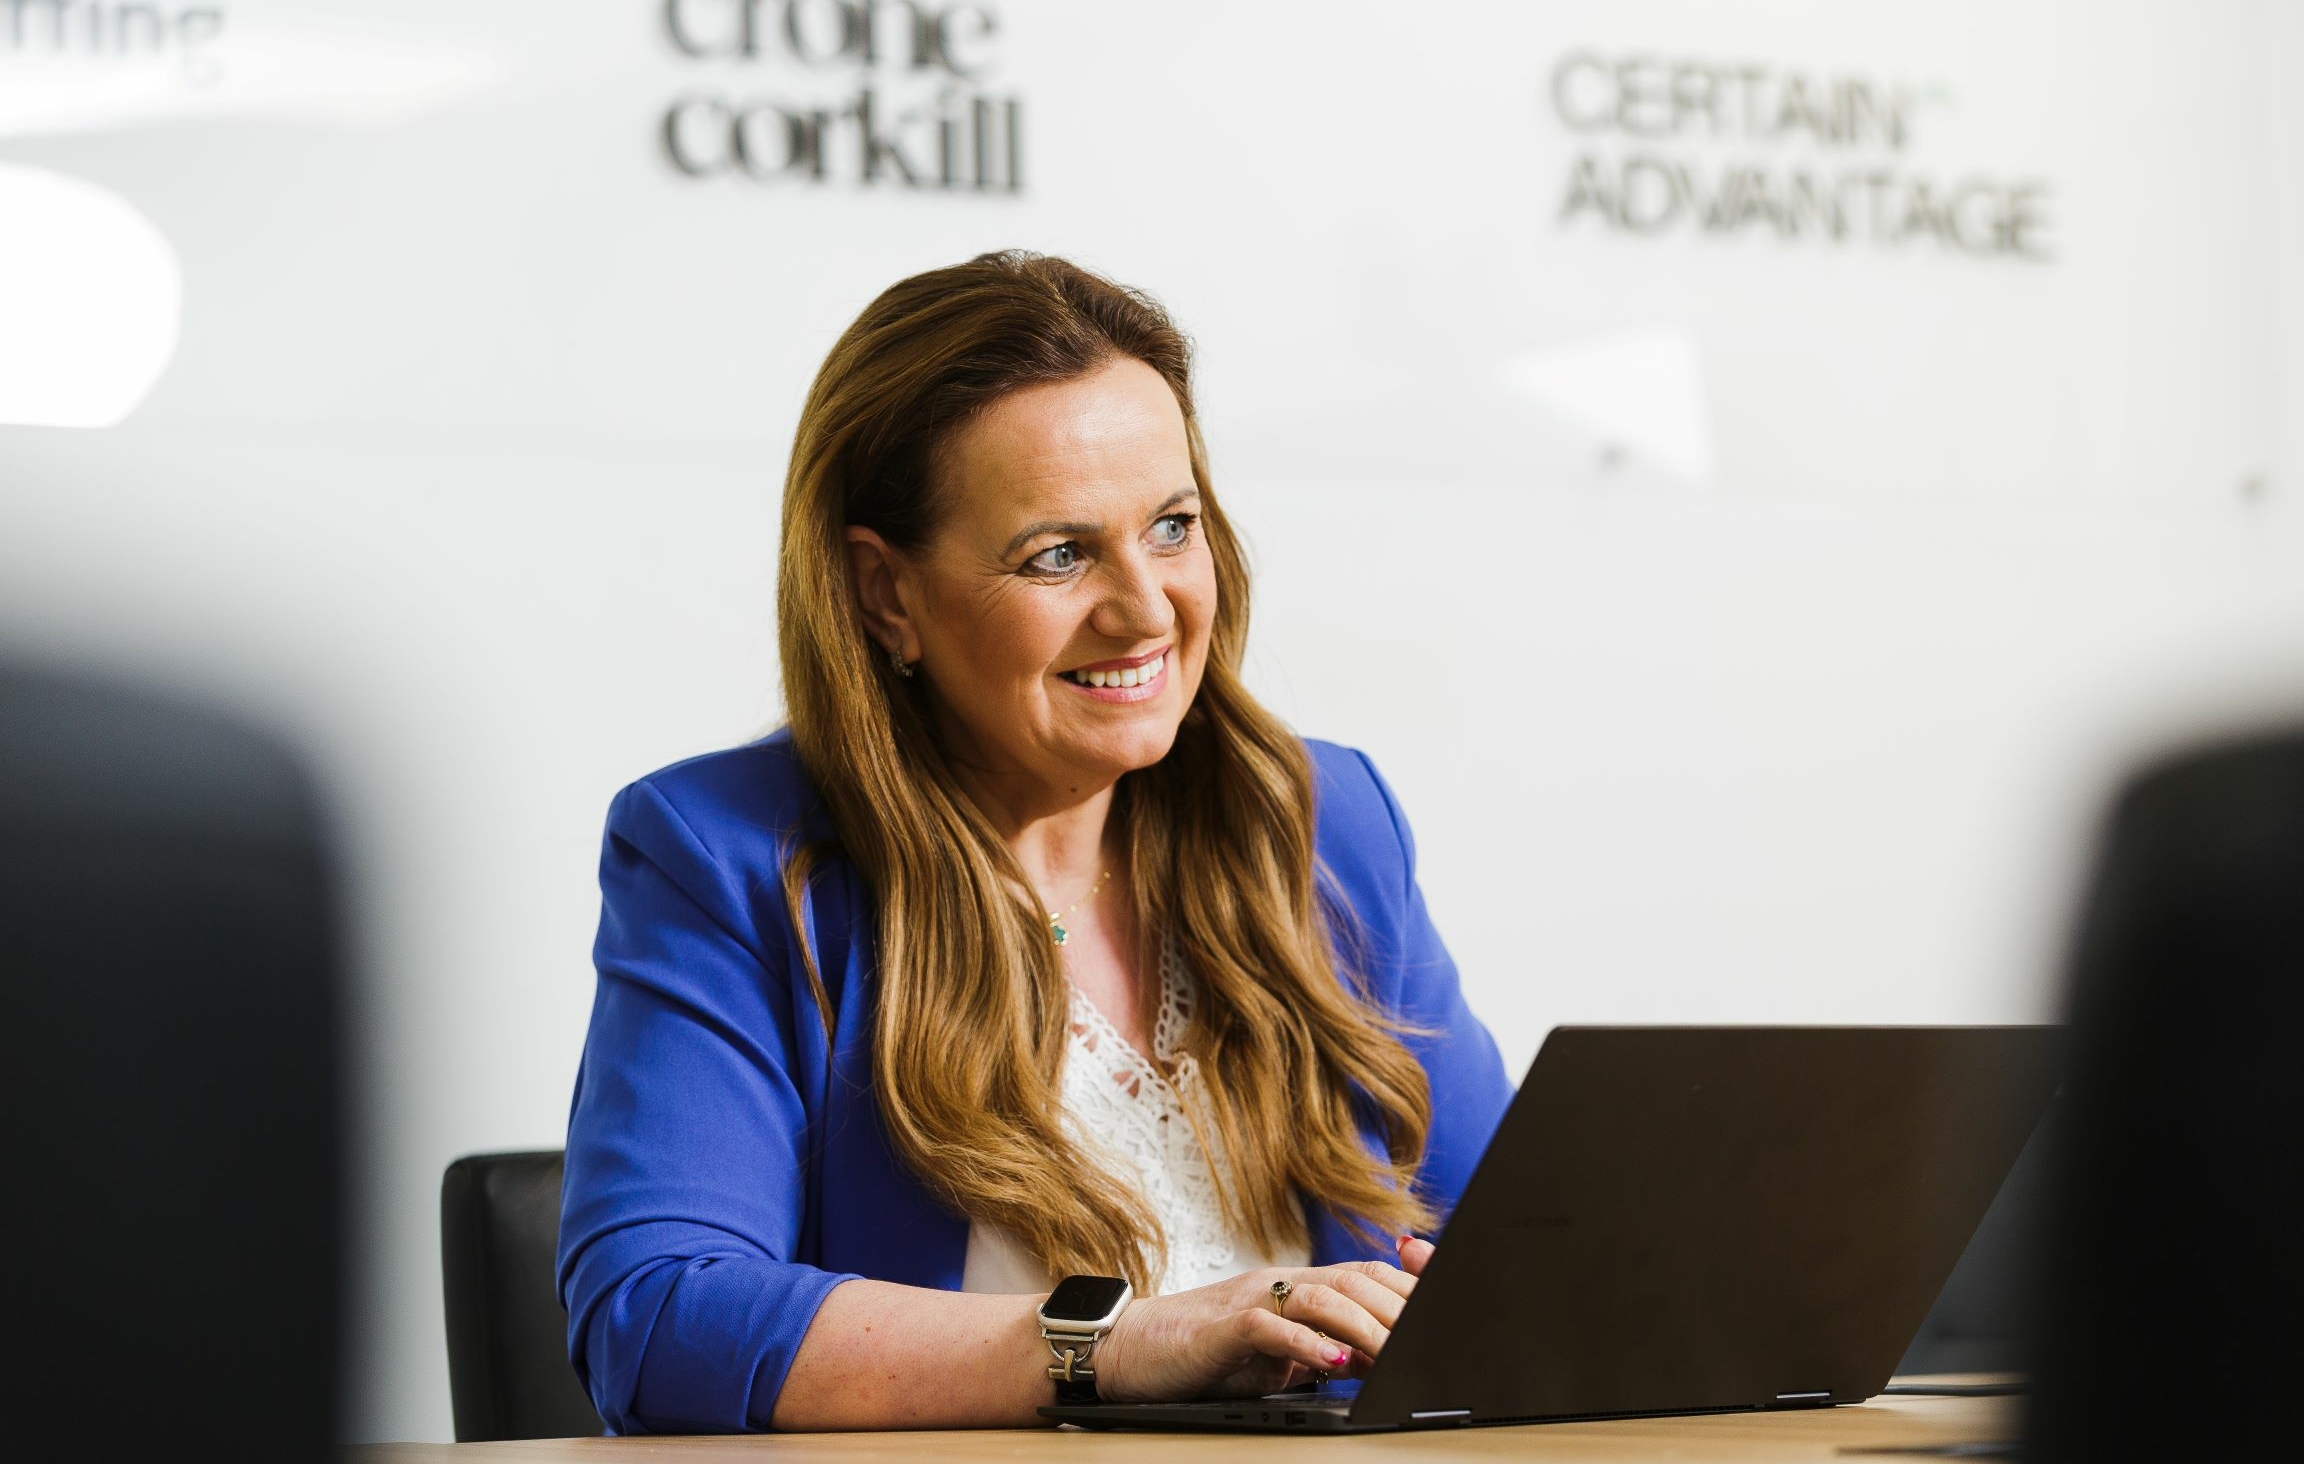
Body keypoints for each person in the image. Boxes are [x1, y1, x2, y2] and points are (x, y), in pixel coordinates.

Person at [557, 251, 1512, 1434]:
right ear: (884, 594)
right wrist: (1118, 1341)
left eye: (1172, 527)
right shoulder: (729, 857)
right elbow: (657, 1320)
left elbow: (1517, 1248)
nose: (1146, 608)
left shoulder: (1323, 822)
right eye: (1058, 555)